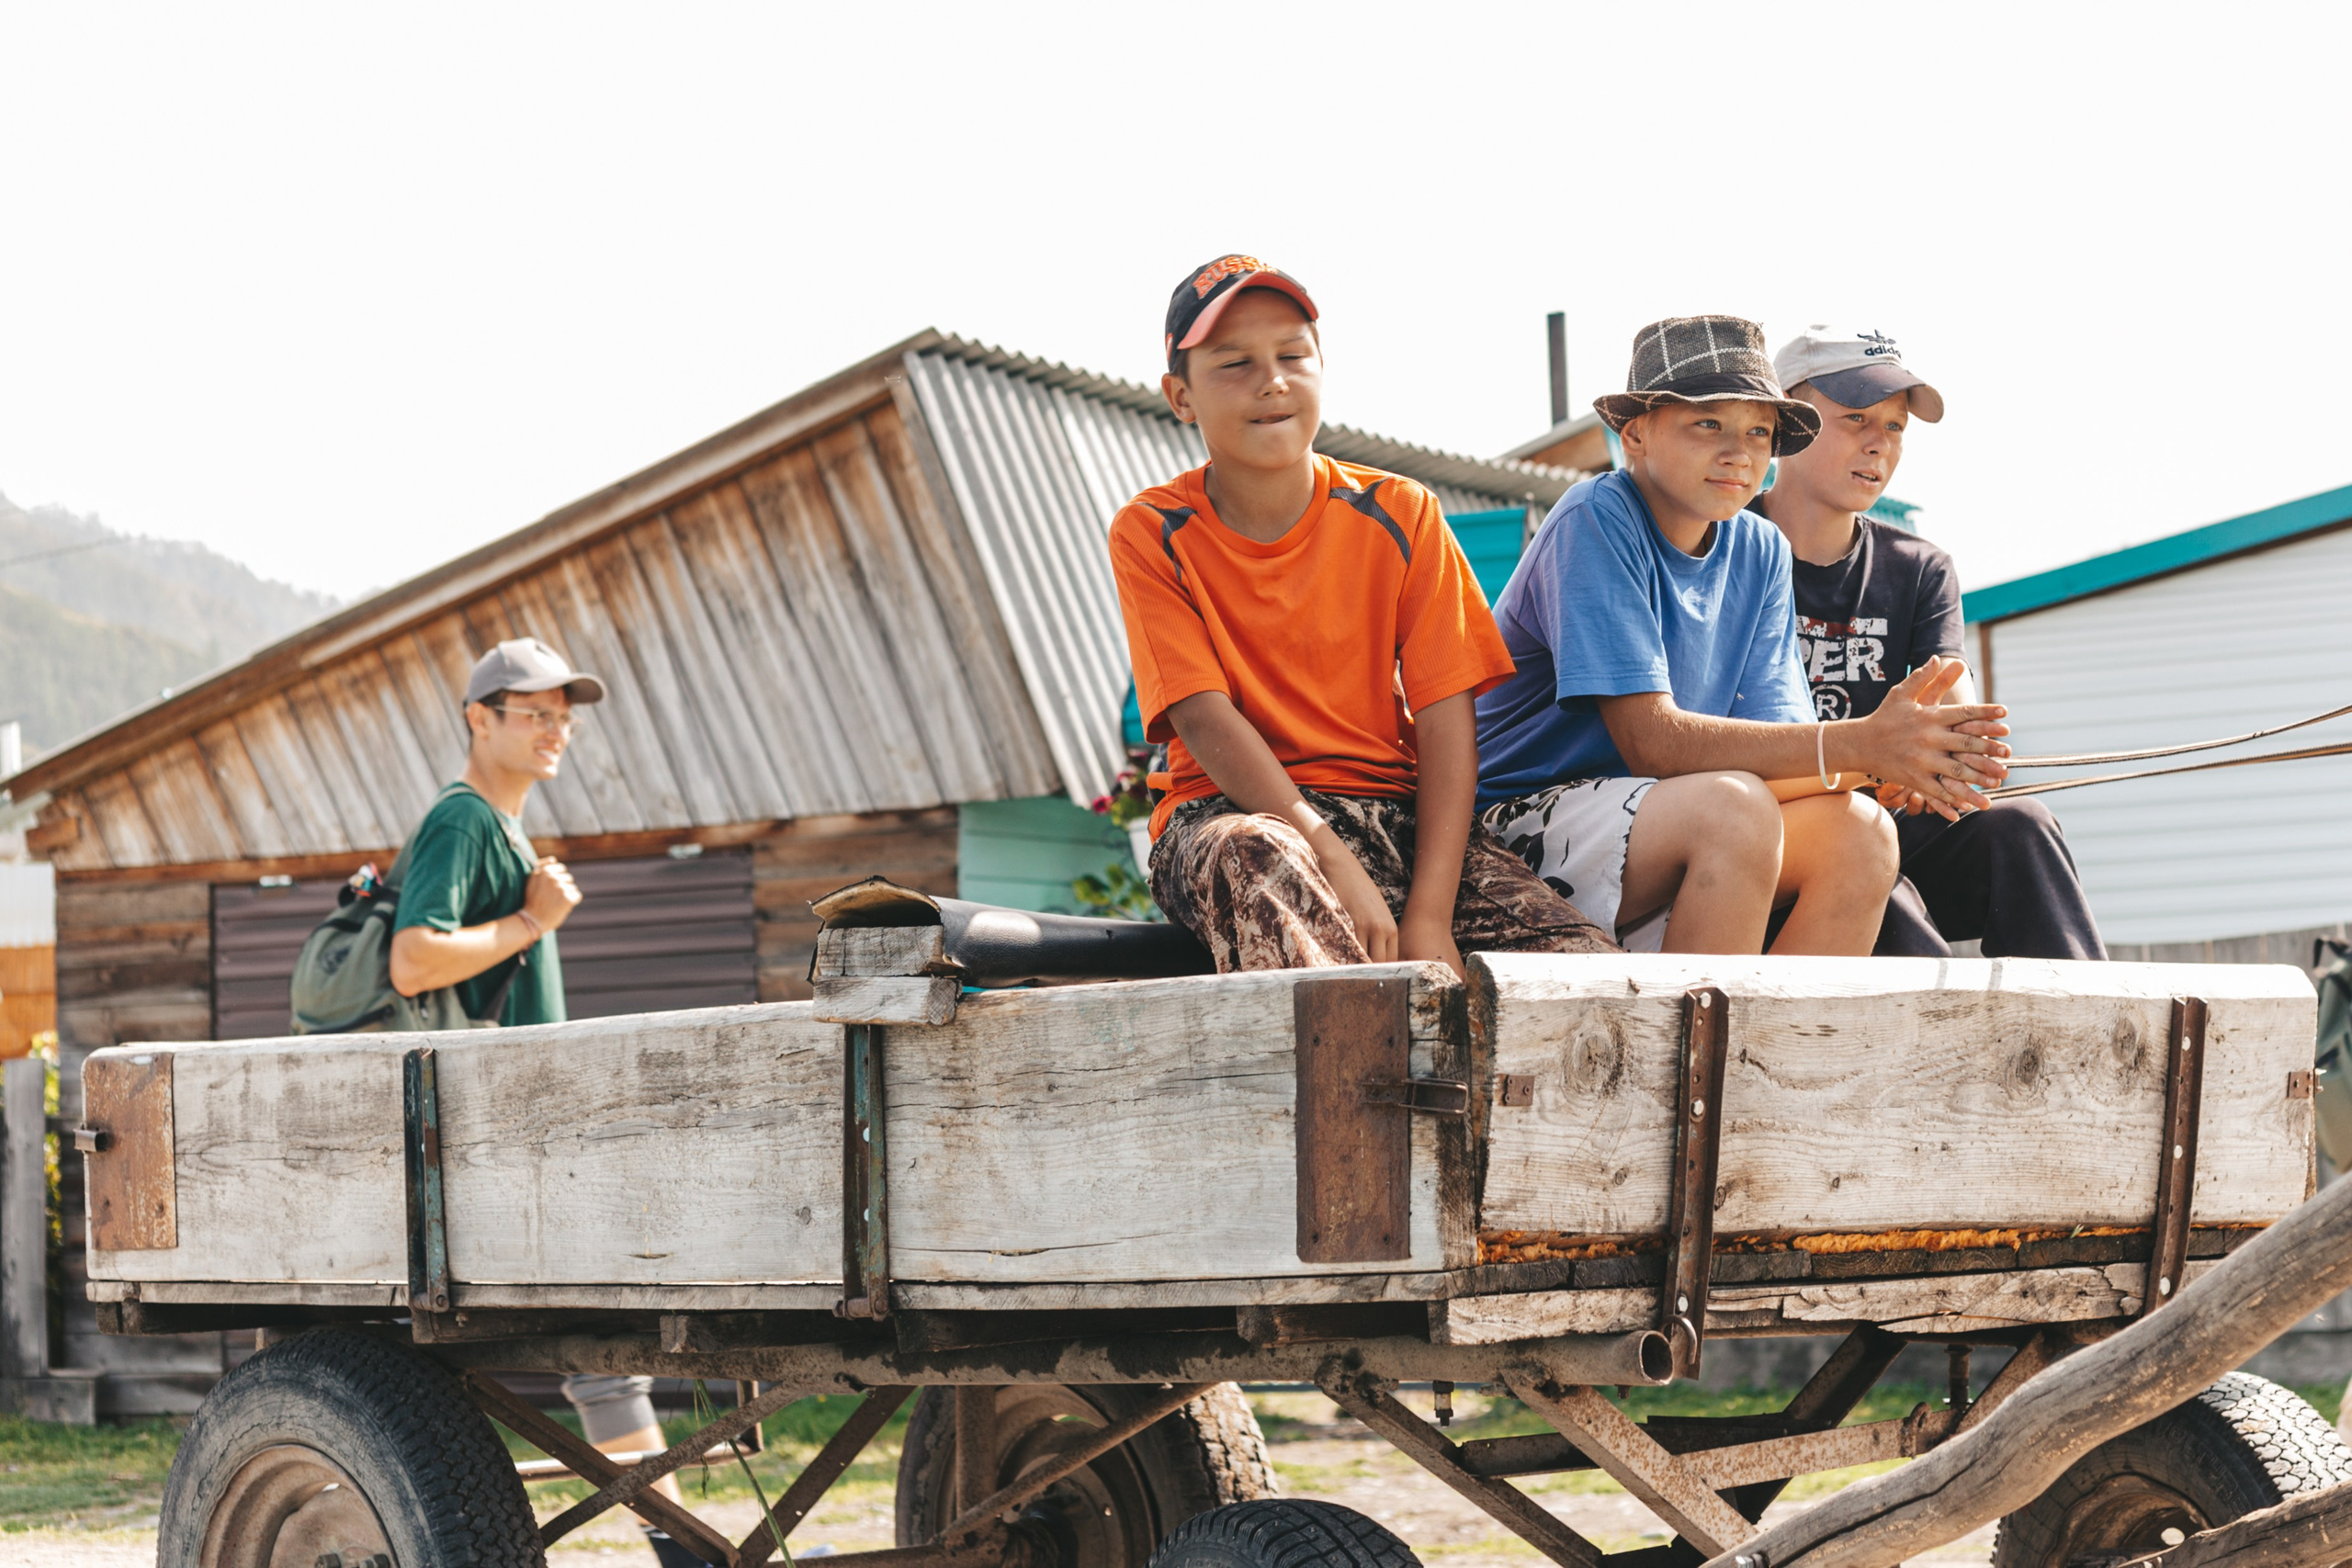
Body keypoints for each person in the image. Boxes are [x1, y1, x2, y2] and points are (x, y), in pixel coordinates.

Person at [1109, 254, 1616, 976]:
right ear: (1180, 396)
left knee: (1583, 967)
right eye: (1234, 363)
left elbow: (1446, 716)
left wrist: (1431, 911)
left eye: (1292, 354)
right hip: (1230, 816)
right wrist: (1329, 855)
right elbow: (1200, 715)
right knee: (1264, 859)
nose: (1271, 379)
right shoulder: (1152, 528)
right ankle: (1358, 1080)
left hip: (1394, 821)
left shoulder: (1403, 513)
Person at [1476, 315, 2011, 955]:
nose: (1740, 451)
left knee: (1865, 831)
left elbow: (1780, 741)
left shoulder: (1759, 546)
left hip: (1662, 811)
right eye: (1709, 424)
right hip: (1514, 819)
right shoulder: (1597, 517)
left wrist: (1885, 764)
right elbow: (1651, 741)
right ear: (1634, 435)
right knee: (1736, 810)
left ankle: (1773, 1054)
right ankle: (1696, 1050)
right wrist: (1865, 744)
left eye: (1760, 430)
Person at [388, 636, 704, 1568]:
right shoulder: (464, 819)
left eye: (562, 717)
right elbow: (412, 959)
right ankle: (679, 1550)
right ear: (478, 719)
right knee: (604, 1349)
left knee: (606, 1353)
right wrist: (533, 921)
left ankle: (679, 1546)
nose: (553, 730)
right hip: (501, 1129)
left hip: (520, 1125)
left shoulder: (502, 826)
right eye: (532, 713)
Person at [1757, 324, 2106, 959]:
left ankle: (2098, 1042)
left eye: (1894, 427)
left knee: (2023, 827)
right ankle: (1958, 1044)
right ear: (1786, 422)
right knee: (1866, 865)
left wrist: (1940, 765)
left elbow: (1953, 724)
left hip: (1892, 830)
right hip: (1779, 844)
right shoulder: (1727, 548)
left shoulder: (1919, 568)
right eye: (1856, 417)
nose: (1878, 445)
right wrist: (1874, 760)